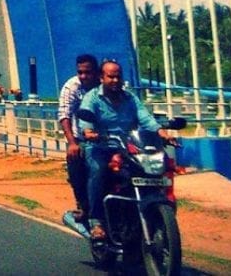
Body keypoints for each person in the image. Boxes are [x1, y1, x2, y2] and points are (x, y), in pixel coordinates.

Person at [78, 59, 166, 242]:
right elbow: (85, 122)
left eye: (118, 76)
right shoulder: (92, 98)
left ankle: (149, 215)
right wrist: (89, 132)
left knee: (149, 174)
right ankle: (97, 222)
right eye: (110, 77)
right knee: (98, 171)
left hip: (128, 149)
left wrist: (160, 131)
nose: (115, 80)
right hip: (100, 148)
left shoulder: (130, 98)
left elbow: (145, 117)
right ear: (102, 78)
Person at [56, 53, 101, 224]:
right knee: (76, 163)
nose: (83, 76)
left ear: (96, 72)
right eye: (80, 72)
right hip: (82, 138)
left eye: (87, 72)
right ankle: (83, 205)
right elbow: (65, 114)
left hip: (109, 137)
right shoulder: (72, 86)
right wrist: (72, 143)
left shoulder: (106, 85)